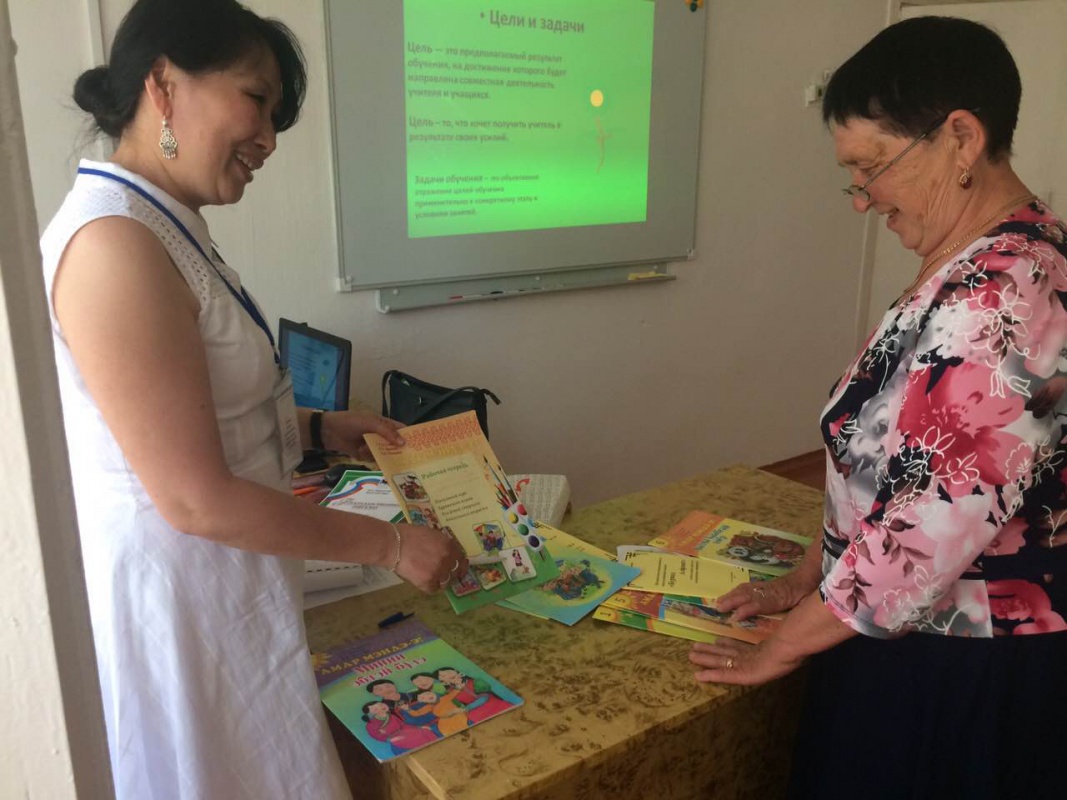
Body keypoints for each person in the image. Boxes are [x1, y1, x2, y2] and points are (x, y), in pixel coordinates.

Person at [40, 1, 468, 797]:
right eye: (257, 101)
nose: (269, 138)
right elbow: (193, 497)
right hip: (183, 605)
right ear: (163, 83)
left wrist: (318, 426)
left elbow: (192, 409)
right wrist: (389, 547)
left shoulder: (162, 226)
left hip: (227, 585)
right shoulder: (114, 246)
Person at [688, 16, 1067, 798]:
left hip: (958, 664)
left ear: (960, 139)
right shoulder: (978, 259)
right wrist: (810, 574)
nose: (861, 200)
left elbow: (924, 531)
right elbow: (893, 468)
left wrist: (781, 647)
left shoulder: (1003, 294)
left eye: (870, 167)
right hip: (904, 628)